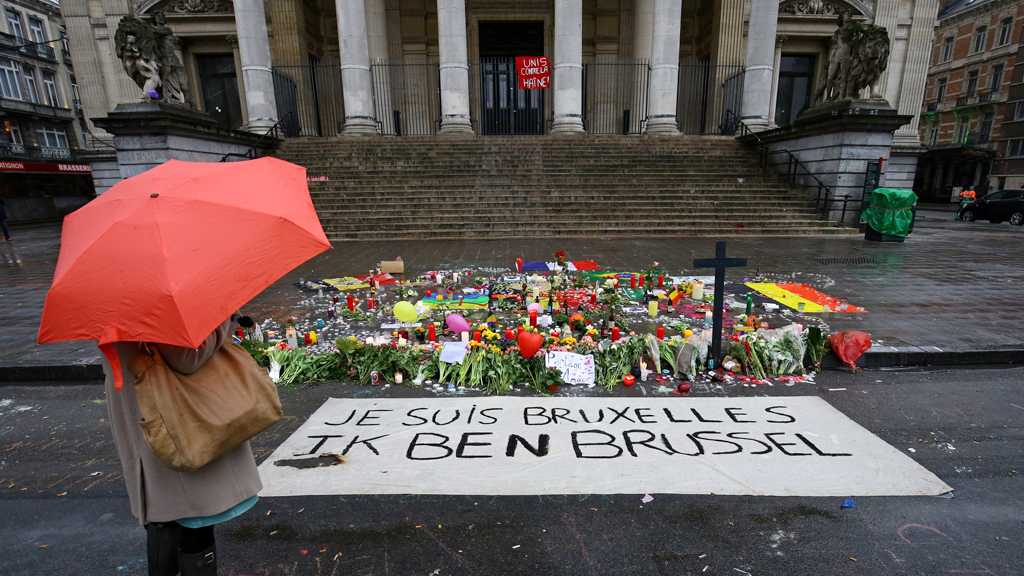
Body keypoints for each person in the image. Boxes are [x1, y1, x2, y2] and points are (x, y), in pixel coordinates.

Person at [99, 313, 260, 576]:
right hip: (176, 414)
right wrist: (223, 317)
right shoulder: (155, 297)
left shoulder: (109, 295)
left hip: (139, 402)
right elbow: (185, 356)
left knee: (166, 515)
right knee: (193, 520)